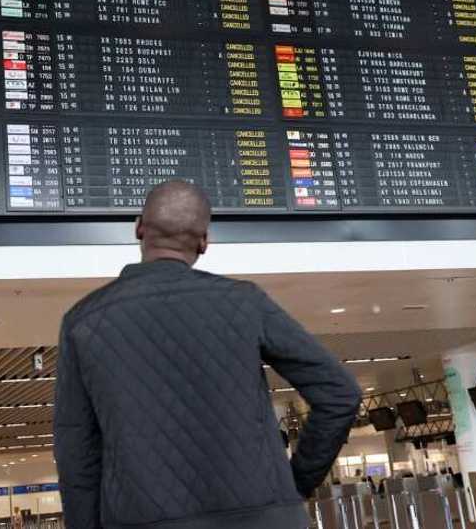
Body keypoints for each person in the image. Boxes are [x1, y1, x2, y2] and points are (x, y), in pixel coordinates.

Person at [54, 180, 362, 529]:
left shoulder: (84, 320)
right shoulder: (244, 302)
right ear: (204, 242)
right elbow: (341, 394)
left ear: (139, 227)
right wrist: (294, 485)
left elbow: (76, 451)